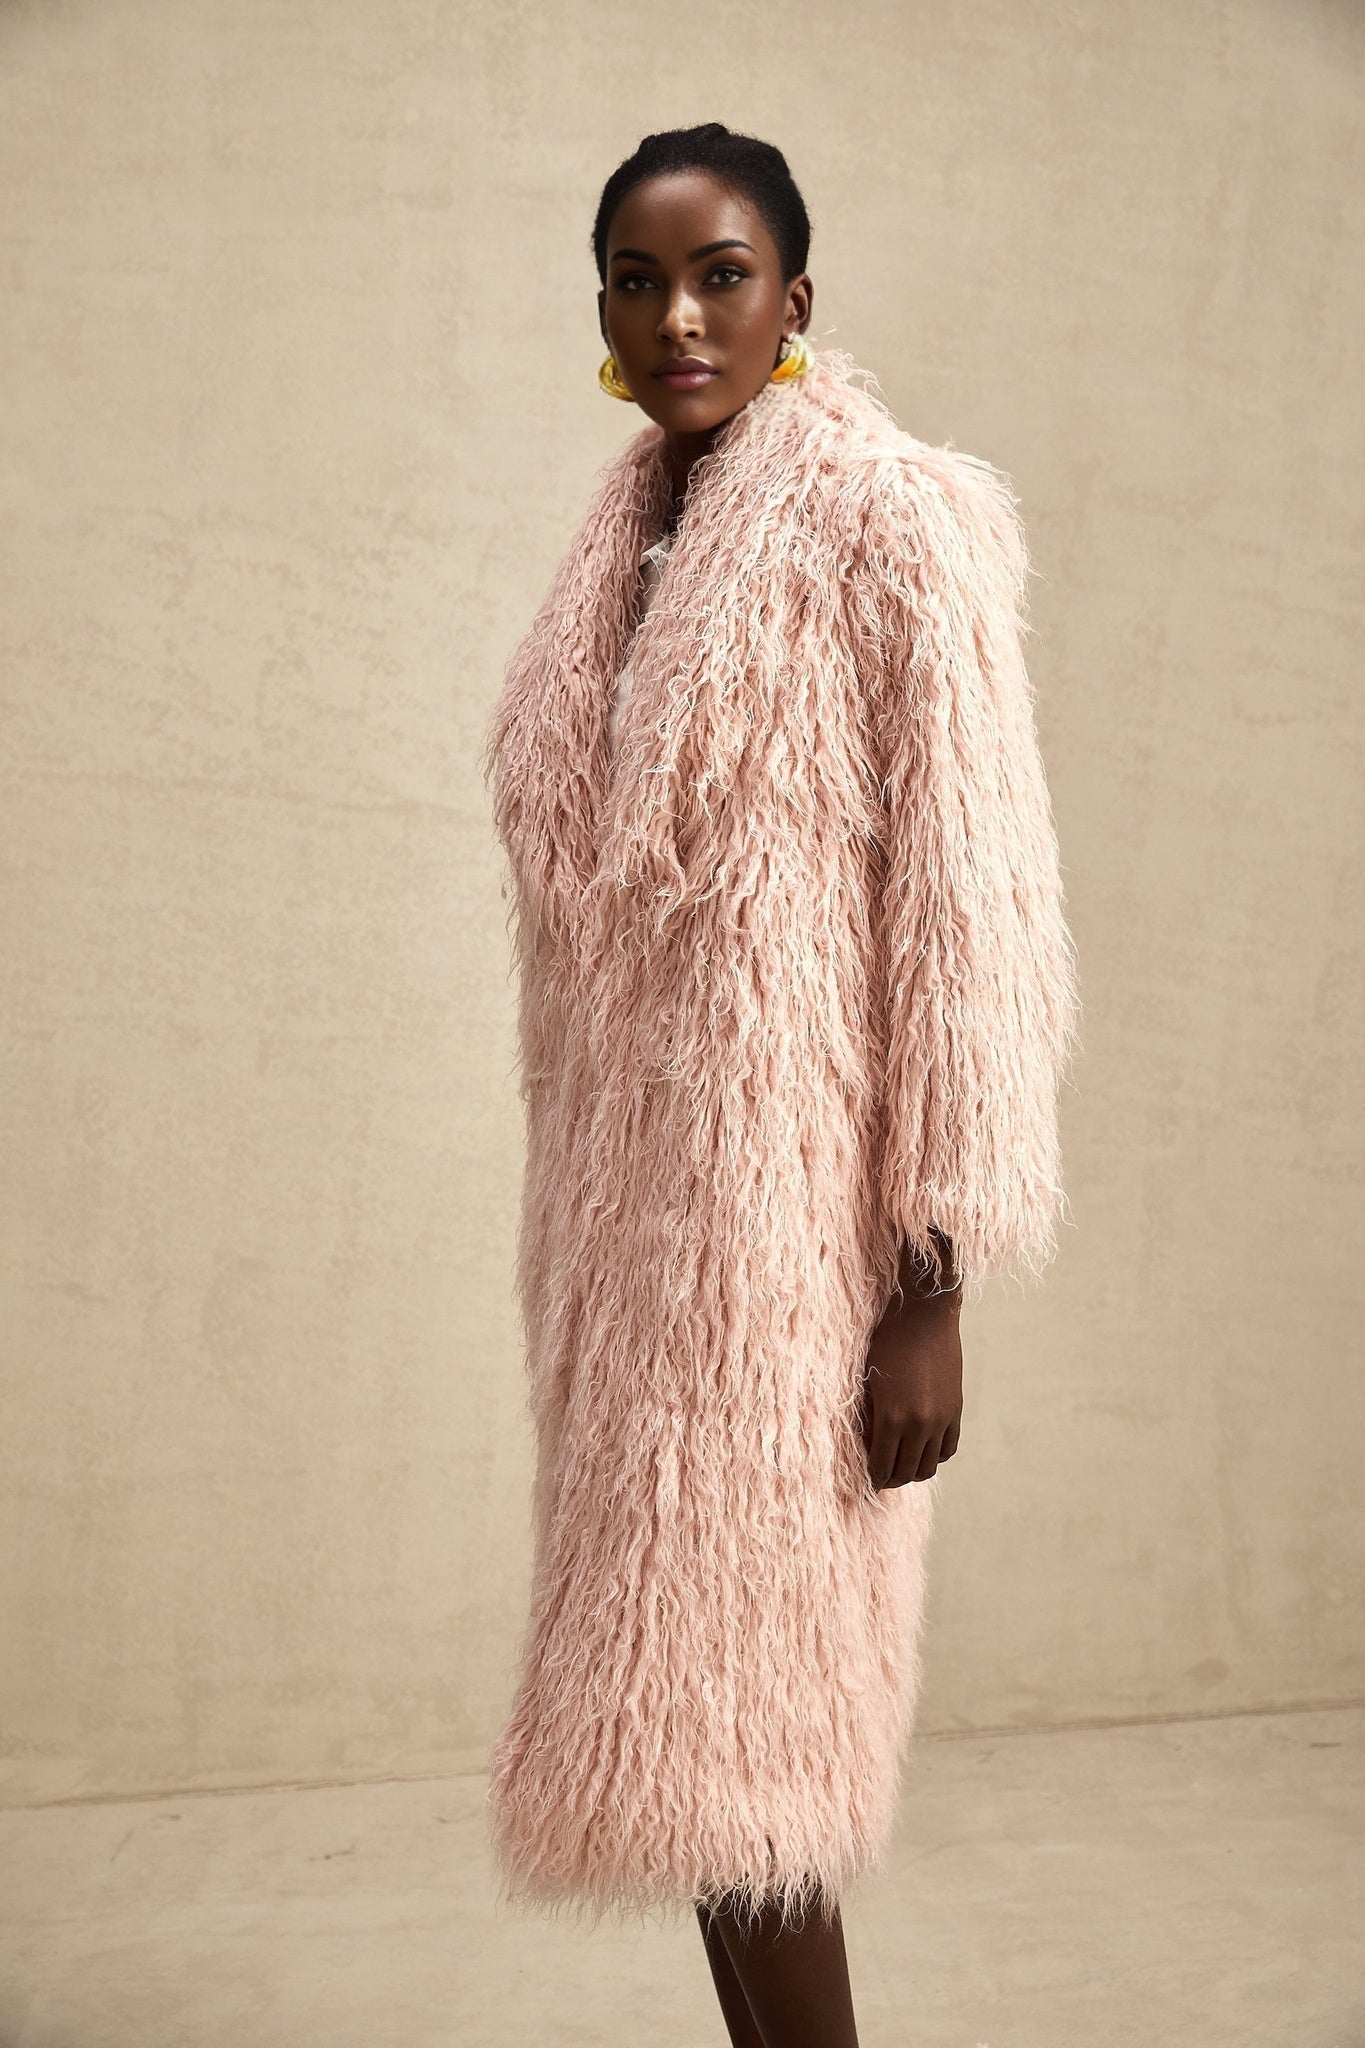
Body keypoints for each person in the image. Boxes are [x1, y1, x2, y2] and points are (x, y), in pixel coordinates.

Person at [479, 122, 1080, 2048]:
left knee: (764, 1756)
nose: (679, 316)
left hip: (800, 1256)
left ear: (794, 300)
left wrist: (929, 1283)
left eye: (721, 273)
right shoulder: (630, 540)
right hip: (634, 1265)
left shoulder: (887, 521)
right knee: (700, 1763)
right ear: (598, 309)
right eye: (639, 280)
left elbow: (969, 924)